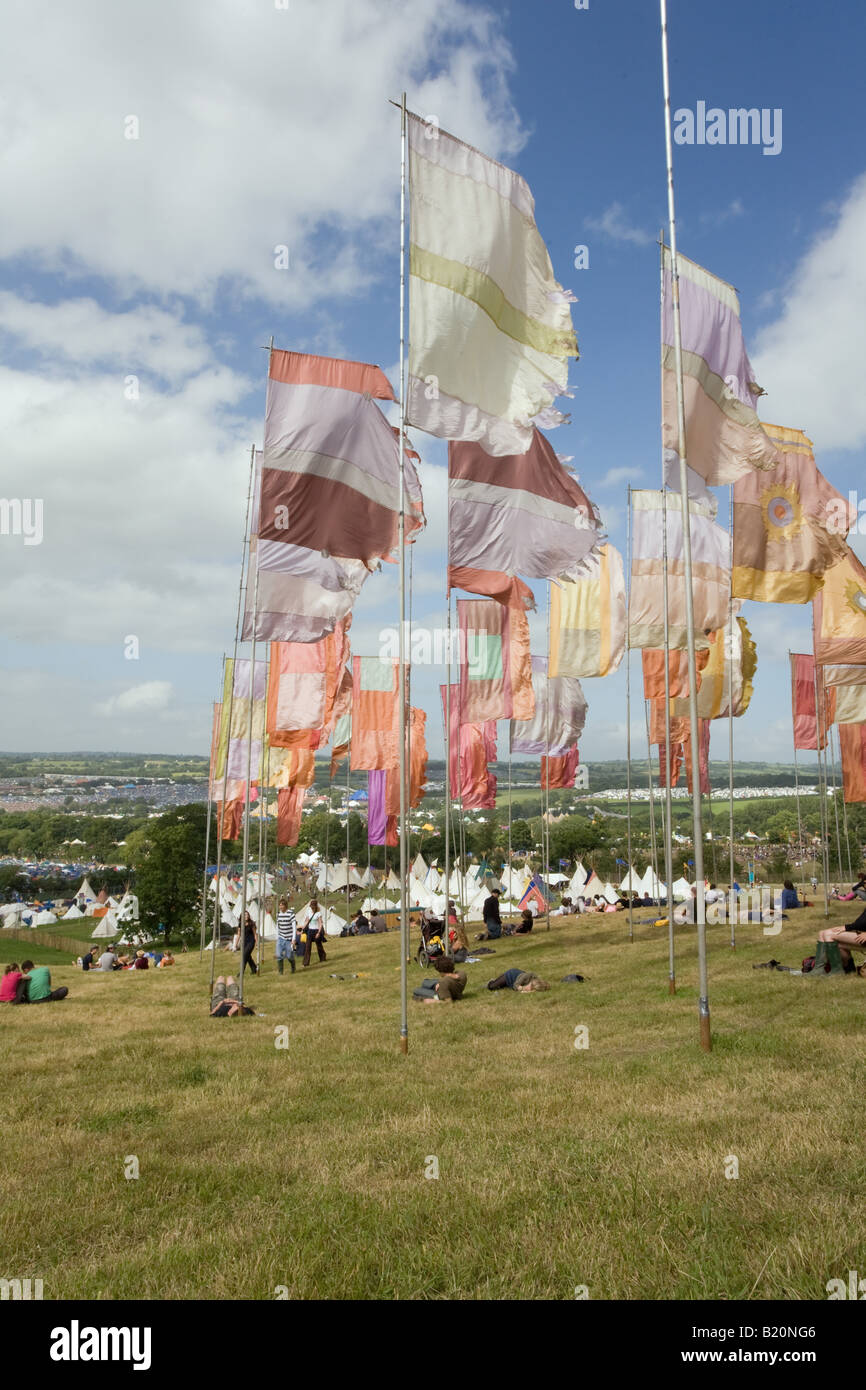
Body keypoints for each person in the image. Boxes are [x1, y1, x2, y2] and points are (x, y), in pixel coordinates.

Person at [275, 898, 297, 975]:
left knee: (289, 956)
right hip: (281, 937)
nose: (280, 907)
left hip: (289, 938)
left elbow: (294, 927)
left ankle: (293, 966)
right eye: (279, 905)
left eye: (282, 905)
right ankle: (280, 972)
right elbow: (278, 925)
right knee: (278, 954)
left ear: (285, 906)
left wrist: (293, 939)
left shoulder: (291, 914)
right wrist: (277, 936)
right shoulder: (278, 914)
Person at [302, 900, 327, 967]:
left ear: (316, 906)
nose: (312, 908)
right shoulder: (309, 913)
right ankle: (306, 963)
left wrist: (319, 932)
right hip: (310, 931)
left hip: (316, 931)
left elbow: (320, 924)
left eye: (313, 906)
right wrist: (302, 929)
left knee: (319, 946)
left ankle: (323, 958)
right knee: (307, 947)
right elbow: (306, 921)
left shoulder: (318, 913)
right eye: (311, 906)